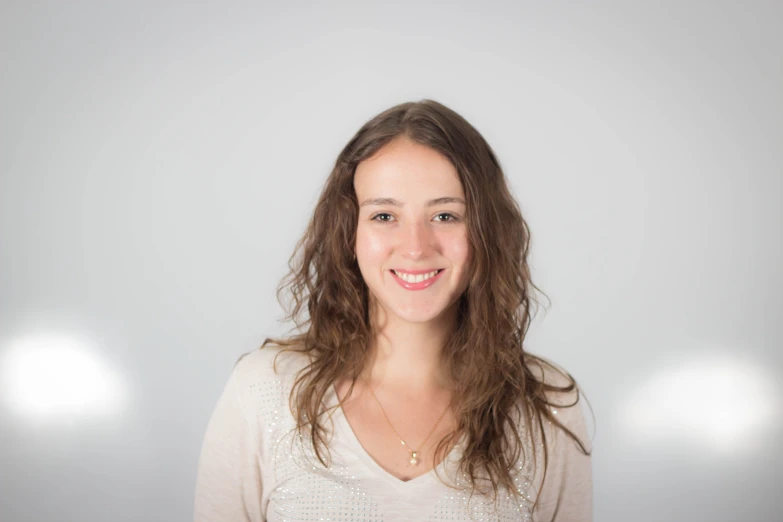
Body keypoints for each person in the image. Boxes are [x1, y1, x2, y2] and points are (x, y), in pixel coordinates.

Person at [193, 99, 593, 521]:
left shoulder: (546, 406)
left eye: (445, 215)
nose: (417, 247)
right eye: (384, 215)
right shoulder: (263, 392)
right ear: (349, 233)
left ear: (486, 231)